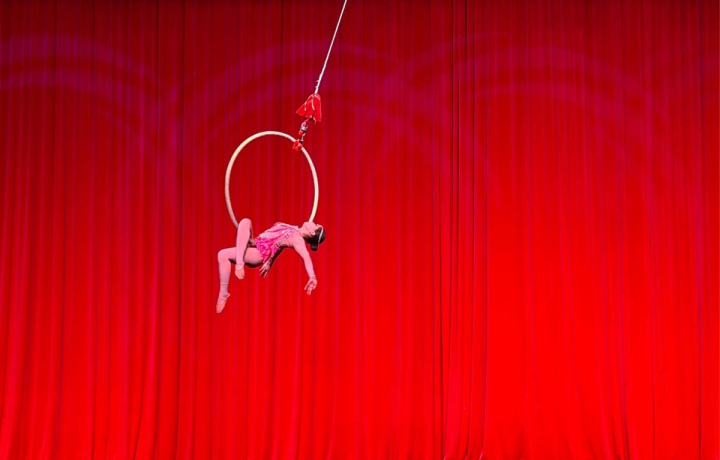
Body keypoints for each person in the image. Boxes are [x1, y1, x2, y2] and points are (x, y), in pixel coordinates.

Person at [216, 219, 326, 313]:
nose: (313, 222)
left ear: (312, 232)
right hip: (255, 243)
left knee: (222, 255)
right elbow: (279, 245)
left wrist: (312, 276)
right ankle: (240, 261)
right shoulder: (294, 229)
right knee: (245, 221)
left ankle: (224, 293)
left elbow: (306, 256)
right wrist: (270, 262)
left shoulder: (297, 239)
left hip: (258, 253)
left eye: (316, 225)